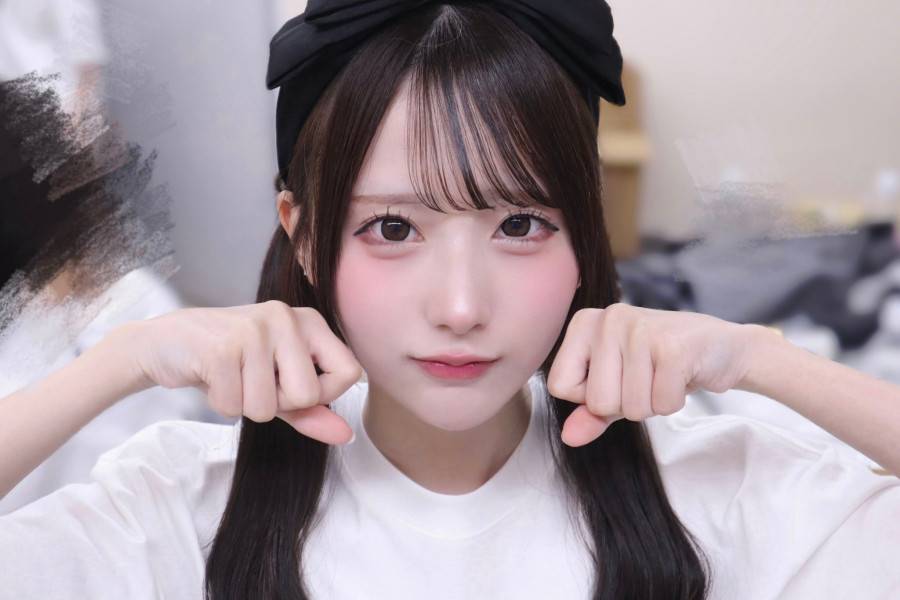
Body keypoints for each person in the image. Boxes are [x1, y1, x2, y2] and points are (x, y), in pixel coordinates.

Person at [1, 2, 899, 599]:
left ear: (586, 233)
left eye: (521, 225)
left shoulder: (715, 492)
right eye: (393, 228)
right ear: (303, 234)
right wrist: (124, 359)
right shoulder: (181, 505)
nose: (462, 306)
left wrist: (753, 357)